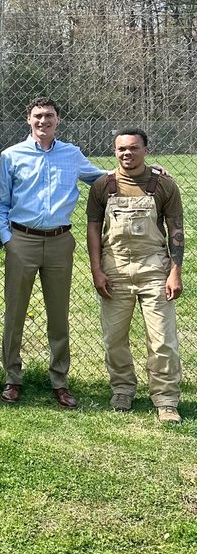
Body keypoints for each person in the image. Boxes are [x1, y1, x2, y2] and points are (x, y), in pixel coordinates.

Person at [0, 96, 105, 408]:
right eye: (38, 116)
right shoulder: (12, 156)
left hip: (59, 242)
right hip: (21, 241)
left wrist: (144, 171)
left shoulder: (72, 154)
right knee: (14, 314)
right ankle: (12, 378)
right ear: (28, 120)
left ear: (58, 120)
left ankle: (60, 380)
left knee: (59, 314)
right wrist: (8, 240)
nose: (44, 121)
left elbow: (101, 178)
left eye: (50, 116)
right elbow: (0, 202)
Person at [86, 128, 184, 424]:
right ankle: (122, 390)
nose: (127, 154)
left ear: (145, 149)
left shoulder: (164, 184)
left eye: (133, 148)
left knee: (162, 339)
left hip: (154, 267)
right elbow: (93, 228)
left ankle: (166, 400)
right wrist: (96, 269)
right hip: (114, 268)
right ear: (114, 152)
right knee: (114, 338)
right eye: (121, 150)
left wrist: (175, 272)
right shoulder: (103, 186)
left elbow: (176, 230)